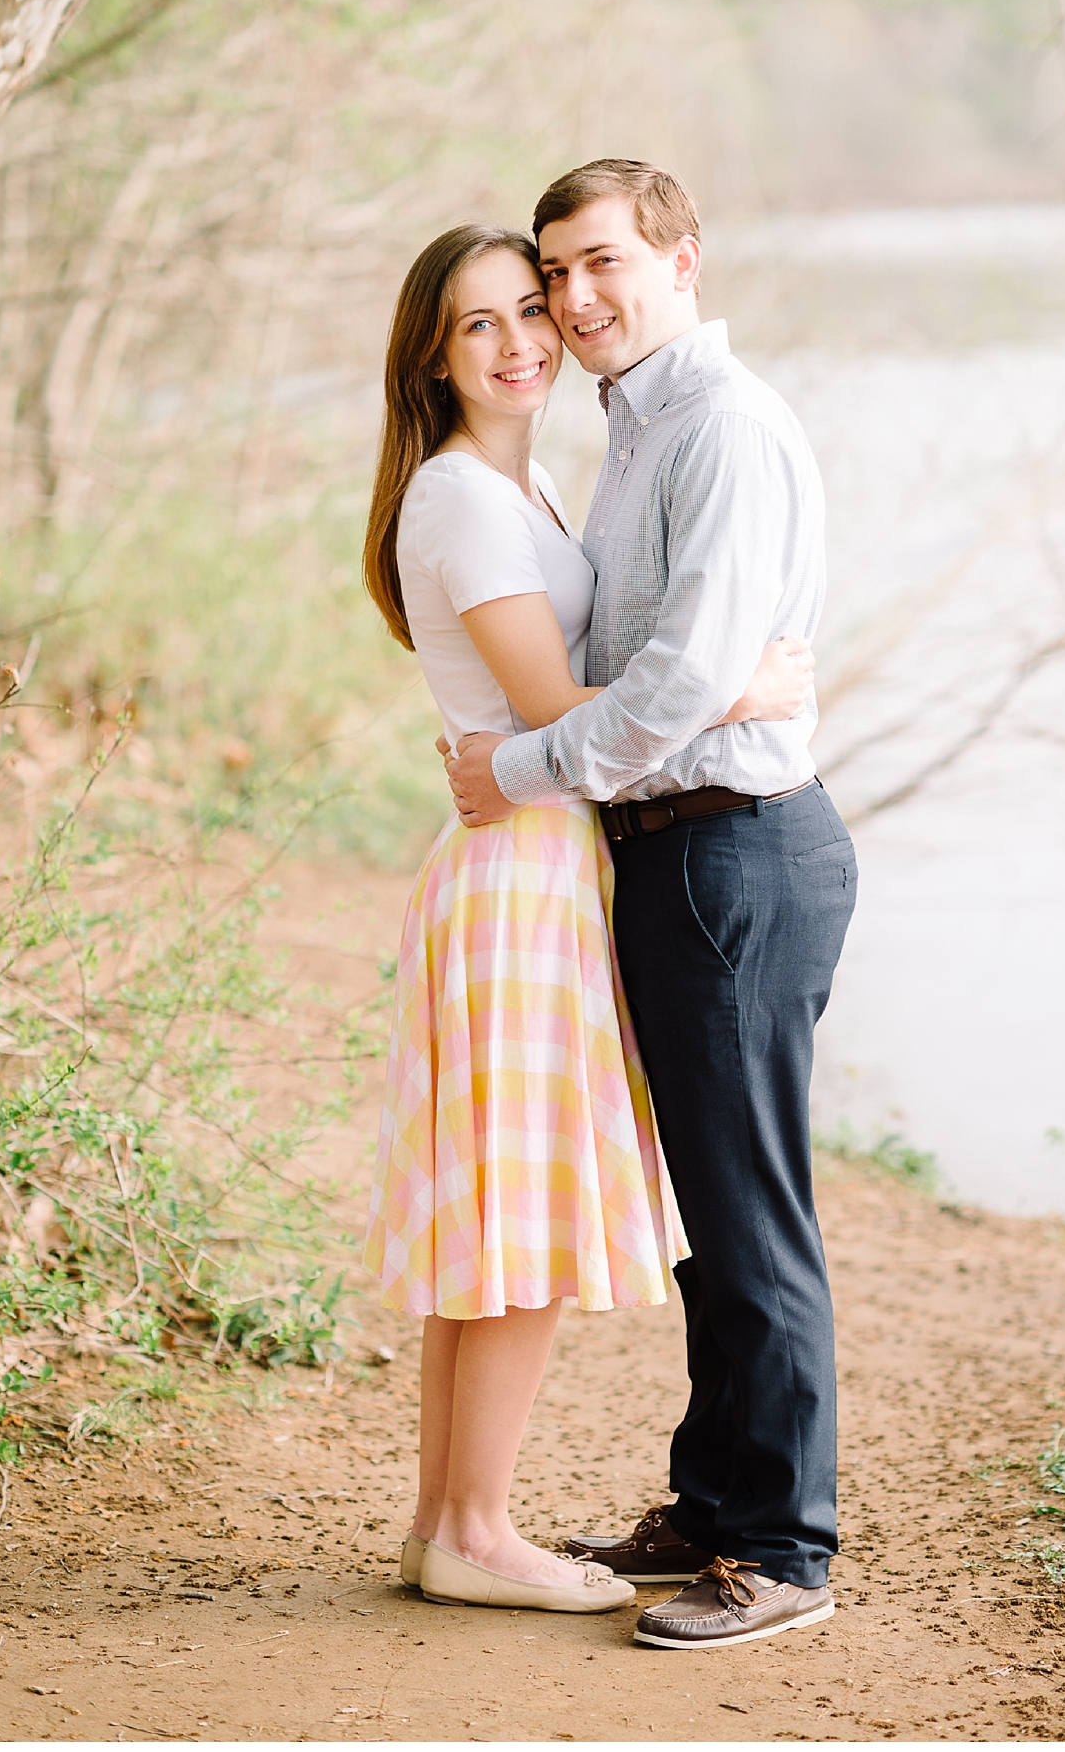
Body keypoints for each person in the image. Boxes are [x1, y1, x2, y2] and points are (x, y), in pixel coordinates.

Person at [361, 223, 808, 1616]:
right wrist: (748, 687)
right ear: (432, 359)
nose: (520, 342)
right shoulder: (461, 499)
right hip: (520, 869)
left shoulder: (531, 484)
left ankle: (450, 1523)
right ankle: (480, 1530)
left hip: (543, 855)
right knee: (516, 1216)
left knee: (501, 1212)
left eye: (528, 310)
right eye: (479, 325)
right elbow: (555, 715)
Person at [442, 159, 856, 1653]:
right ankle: (713, 1504)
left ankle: (785, 1549)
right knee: (706, 1212)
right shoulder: (638, 428)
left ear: (683, 257)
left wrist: (526, 766)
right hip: (671, 846)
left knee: (752, 1215)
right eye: (559, 273)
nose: (578, 298)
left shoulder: (725, 426)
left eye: (606, 260)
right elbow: (679, 664)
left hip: (737, 849)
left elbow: (685, 678)